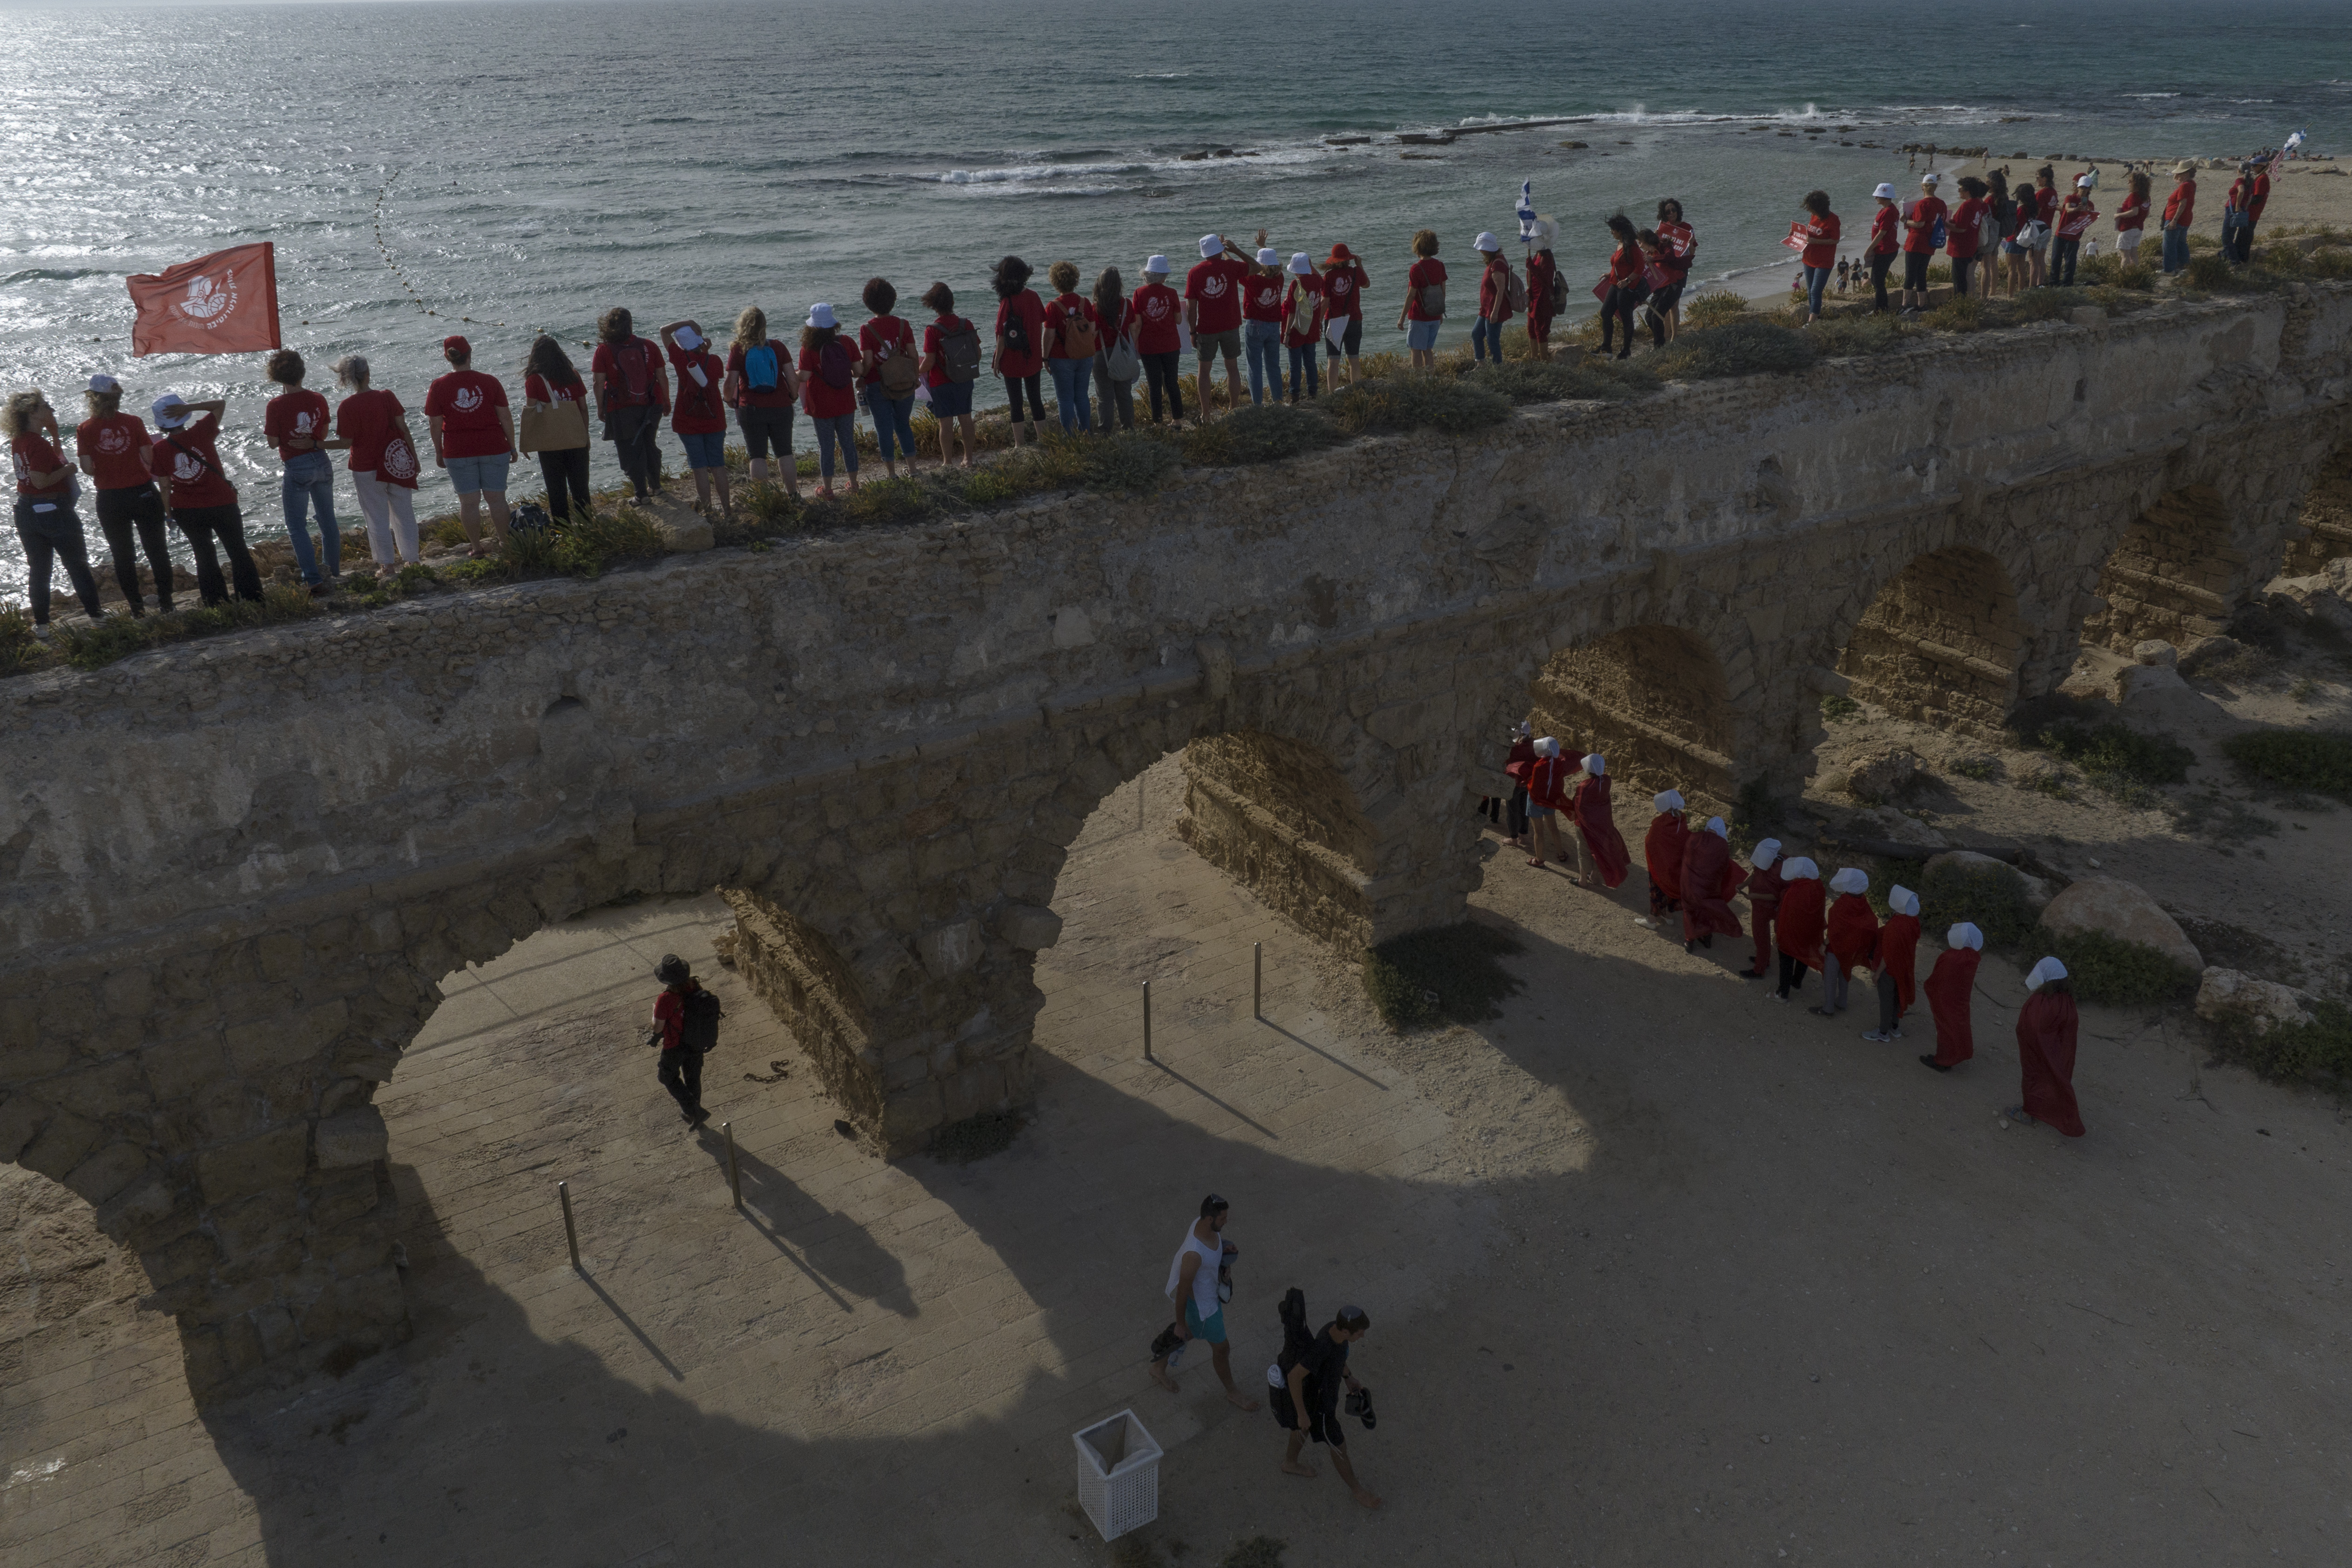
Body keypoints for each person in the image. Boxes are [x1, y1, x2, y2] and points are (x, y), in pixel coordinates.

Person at [7, 389, 105, 636]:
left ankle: (42, 625)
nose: (52, 410)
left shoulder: (21, 440)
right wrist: (70, 469)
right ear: (33, 412)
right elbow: (41, 480)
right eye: (46, 406)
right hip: (52, 509)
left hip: (26, 509)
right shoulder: (37, 443)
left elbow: (41, 465)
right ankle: (97, 618)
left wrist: (55, 436)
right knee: (77, 565)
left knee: (39, 569)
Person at [74, 374, 174, 615]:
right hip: (142, 492)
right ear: (117, 397)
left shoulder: (84, 429)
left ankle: (137, 608)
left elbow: (87, 470)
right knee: (157, 550)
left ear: (93, 399)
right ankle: (167, 604)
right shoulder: (133, 422)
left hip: (110, 498)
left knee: (123, 556)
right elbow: (150, 459)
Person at [1149, 1194, 1259, 1410]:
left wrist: (1222, 1264)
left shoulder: (1200, 1224)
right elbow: (1182, 1292)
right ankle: (1233, 1393)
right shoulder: (1194, 1256)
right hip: (1204, 1310)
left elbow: (1211, 1257)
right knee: (1222, 1350)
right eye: (1223, 1218)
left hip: (1203, 1304)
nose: (1226, 1221)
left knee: (1185, 1334)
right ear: (1210, 1219)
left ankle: (1158, 1368)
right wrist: (1180, 1323)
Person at [150, 393, 260, 606]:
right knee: (238, 551)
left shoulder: (160, 449)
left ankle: (216, 603)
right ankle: (253, 600)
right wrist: (191, 407)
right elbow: (220, 405)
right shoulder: (202, 431)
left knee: (204, 556)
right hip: (222, 502)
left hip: (186, 509)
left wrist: (169, 513)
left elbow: (164, 485)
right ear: (183, 415)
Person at [1273, 1300, 1379, 1510]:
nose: (1363, 1336)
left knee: (1302, 1429)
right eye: (1359, 1333)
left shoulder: (1336, 1330)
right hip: (1321, 1407)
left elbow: (1339, 1359)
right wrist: (1302, 1413)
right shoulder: (1322, 1347)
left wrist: (1348, 1377)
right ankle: (1358, 1491)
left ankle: (1290, 1463)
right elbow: (1294, 1377)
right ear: (1346, 1331)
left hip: (1321, 1398)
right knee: (1339, 1446)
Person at [423, 336, 515, 555]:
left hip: (458, 450)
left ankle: (476, 547)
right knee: (497, 499)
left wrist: (439, 450)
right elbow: (506, 417)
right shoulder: (490, 381)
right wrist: (512, 446)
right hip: (493, 446)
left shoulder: (439, 386)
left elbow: (435, 423)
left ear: (448, 357)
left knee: (469, 503)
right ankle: (505, 544)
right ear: (470, 353)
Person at [332, 356, 423, 576]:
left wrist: (317, 444)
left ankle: (387, 565)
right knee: (404, 513)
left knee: (376, 517)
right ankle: (412, 561)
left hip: (365, 468)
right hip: (395, 462)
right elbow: (404, 430)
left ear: (347, 379)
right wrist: (414, 458)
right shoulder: (387, 397)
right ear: (368, 374)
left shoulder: (346, 406)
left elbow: (346, 443)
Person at [262, 350, 340, 593]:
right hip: (321, 460)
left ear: (276, 377)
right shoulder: (318, 398)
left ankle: (313, 578)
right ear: (302, 373)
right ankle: (333, 570)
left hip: (296, 466)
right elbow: (324, 434)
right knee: (327, 520)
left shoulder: (275, 405)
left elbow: (273, 443)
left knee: (297, 526)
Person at [592, 307, 671, 504]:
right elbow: (662, 377)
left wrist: (600, 407)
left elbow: (598, 383)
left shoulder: (604, 350)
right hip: (652, 403)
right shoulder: (649, 346)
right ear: (630, 325)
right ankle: (657, 487)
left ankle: (641, 494)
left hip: (621, 408)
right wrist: (667, 400)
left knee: (629, 448)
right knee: (649, 444)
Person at [722, 306, 800, 497]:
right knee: (785, 453)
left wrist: (728, 399)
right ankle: (793, 496)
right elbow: (792, 378)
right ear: (764, 325)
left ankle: (764, 499)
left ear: (742, 326)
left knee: (757, 456)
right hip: (781, 406)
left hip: (752, 408)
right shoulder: (778, 347)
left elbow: (730, 383)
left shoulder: (738, 350)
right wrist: (793, 397)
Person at [659, 321, 734, 518]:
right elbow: (710, 374)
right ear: (701, 341)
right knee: (718, 465)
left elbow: (663, 331)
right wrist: (706, 352)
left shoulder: (678, 358)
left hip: (687, 420)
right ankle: (727, 510)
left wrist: (688, 323)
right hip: (714, 419)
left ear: (682, 344)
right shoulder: (715, 360)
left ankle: (709, 512)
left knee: (699, 467)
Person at [520, 334, 594, 525]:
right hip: (575, 437)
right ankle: (587, 525)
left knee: (556, 488)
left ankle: (563, 528)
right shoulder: (573, 375)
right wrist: (585, 434)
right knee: (580, 487)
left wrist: (527, 441)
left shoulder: (534, 380)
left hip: (550, 442)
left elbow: (531, 411)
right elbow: (583, 408)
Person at [852, 279, 922, 473]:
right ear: (893, 300)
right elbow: (913, 354)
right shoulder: (903, 324)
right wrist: (916, 377)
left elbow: (868, 362)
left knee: (884, 429)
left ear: (868, 304)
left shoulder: (867, 329)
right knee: (903, 425)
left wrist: (861, 376)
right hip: (905, 382)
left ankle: (891, 473)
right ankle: (913, 469)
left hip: (877, 384)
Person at [2010, 958, 2085, 1136]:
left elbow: (2028, 1028)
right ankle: (2047, 1109)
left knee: (2034, 1077)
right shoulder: (2067, 1002)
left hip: (2037, 1052)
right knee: (2055, 1077)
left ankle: (2029, 1113)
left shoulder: (2042, 1003)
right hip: (2058, 1052)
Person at [798, 303, 860, 498]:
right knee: (848, 443)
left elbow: (804, 377)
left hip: (821, 405)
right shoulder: (847, 342)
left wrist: (793, 372)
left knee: (826, 447)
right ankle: (854, 484)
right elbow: (858, 371)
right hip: (846, 402)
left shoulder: (808, 348)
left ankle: (827, 489)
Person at [646, 953, 716, 1125]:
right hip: (695, 1040)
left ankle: (694, 1111)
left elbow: (658, 1028)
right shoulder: (694, 985)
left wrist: (654, 1012)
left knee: (666, 1077)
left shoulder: (665, 999)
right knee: (693, 1077)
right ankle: (693, 1113)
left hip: (675, 1045)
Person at [1186, 233, 1249, 416]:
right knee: (1233, 368)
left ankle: (1206, 413)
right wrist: (1235, 250)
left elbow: (1191, 307)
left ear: (1204, 253)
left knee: (1204, 373)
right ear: (1221, 250)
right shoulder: (1231, 267)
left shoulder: (1195, 273)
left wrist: (1192, 331)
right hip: (1231, 325)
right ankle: (1234, 408)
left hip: (1206, 328)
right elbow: (1257, 266)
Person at [918, 282, 979, 468]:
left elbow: (929, 361)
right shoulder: (966, 324)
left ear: (934, 306)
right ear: (952, 302)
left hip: (940, 382)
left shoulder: (932, 330)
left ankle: (947, 462)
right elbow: (977, 352)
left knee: (945, 424)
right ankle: (968, 459)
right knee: (966, 418)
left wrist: (917, 372)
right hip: (964, 378)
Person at [990, 255, 1049, 444]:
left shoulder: (1007, 302)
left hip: (1012, 359)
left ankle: (1020, 444)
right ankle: (1044, 440)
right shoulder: (1033, 296)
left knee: (1016, 403)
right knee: (1036, 400)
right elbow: (1041, 322)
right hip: (1032, 356)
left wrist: (997, 360)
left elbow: (1001, 336)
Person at [1039, 260, 1099, 435]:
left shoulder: (1053, 306)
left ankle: (1070, 437)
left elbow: (1049, 335)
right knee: (1082, 396)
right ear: (1075, 280)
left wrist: (1045, 358)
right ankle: (1086, 432)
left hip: (1061, 358)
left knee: (1065, 399)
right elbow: (1093, 329)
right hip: (1084, 357)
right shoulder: (1084, 302)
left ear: (1055, 282)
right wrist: (1082, 344)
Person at [1813, 867, 1878, 1018]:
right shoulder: (1863, 901)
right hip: (1853, 948)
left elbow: (1835, 929)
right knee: (1845, 973)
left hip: (1837, 948)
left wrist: (1824, 944)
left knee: (1830, 978)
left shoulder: (1842, 904)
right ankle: (1842, 1002)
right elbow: (1871, 922)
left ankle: (1828, 1008)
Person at [1130, 255, 1186, 426]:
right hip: (1171, 344)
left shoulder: (1139, 293)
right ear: (1164, 276)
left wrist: (1134, 344)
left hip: (1149, 346)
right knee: (1172, 382)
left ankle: (1158, 422)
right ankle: (1177, 420)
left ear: (1147, 275)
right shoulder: (1172, 293)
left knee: (1154, 384)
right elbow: (1178, 320)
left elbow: (1138, 323)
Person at [1920, 922, 1983, 1072]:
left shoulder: (1950, 956)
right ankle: (1952, 1055)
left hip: (1945, 997)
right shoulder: (1973, 956)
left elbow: (1939, 977)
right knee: (1957, 1025)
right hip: (1960, 998)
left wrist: (1929, 987)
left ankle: (1942, 1061)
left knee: (1945, 1027)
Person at [1862, 885, 1921, 1043]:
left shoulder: (1895, 926)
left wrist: (1878, 973)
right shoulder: (1913, 922)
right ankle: (1895, 1027)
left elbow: (1888, 955)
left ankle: (1882, 1033)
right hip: (1904, 966)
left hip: (1890, 969)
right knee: (1897, 995)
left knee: (1886, 1000)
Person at [1679, 816, 1744, 953]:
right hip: (1709, 886)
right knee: (1707, 909)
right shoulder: (1722, 845)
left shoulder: (1694, 837)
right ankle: (1707, 938)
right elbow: (1724, 866)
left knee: (1689, 909)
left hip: (1689, 883)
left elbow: (1686, 857)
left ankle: (1689, 940)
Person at [1569, 752, 1631, 890]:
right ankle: (1595, 877)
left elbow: (1578, 804)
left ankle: (1583, 880)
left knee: (1584, 851)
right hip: (1603, 824)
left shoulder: (1585, 786)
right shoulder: (1607, 781)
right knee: (1599, 850)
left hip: (1585, 826)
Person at [1770, 857, 1824, 1002]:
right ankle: (1797, 982)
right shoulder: (1818, 885)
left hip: (1791, 933)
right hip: (1809, 931)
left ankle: (1782, 994)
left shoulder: (1796, 891)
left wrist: (1778, 936)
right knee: (1803, 956)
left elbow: (1786, 916)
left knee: (1786, 960)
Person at [1592, 214, 1646, 360]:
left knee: (1626, 318)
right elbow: (1619, 265)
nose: (1611, 232)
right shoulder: (1621, 243)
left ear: (1620, 231)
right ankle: (1606, 348)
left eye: (1613, 230)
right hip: (1615, 284)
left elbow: (1640, 267)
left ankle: (1626, 350)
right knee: (1605, 313)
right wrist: (1609, 275)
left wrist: (1628, 280)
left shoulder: (1632, 246)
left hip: (1627, 287)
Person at [1091, 267, 1137, 432]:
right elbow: (1134, 330)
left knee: (1104, 397)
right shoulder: (1126, 304)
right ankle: (1129, 429)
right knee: (1125, 394)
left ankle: (1105, 432)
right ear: (1119, 285)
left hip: (1101, 355)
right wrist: (1133, 351)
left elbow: (1093, 333)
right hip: (1122, 353)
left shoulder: (1096, 308)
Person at [1241, 245, 1287, 405]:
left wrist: (1227, 252)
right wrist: (1263, 246)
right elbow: (1266, 263)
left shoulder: (1254, 280)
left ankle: (1258, 405)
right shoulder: (1279, 278)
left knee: (1254, 367)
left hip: (1256, 325)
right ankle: (1278, 401)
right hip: (1275, 326)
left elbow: (1238, 269)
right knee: (1273, 366)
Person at [1319, 243, 1370, 385]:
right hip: (1354, 320)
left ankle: (1333, 395)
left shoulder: (1328, 276)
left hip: (1336, 321)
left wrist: (1318, 322)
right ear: (1349, 259)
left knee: (1333, 361)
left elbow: (1325, 302)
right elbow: (1367, 285)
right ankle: (1357, 392)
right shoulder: (1356, 272)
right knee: (1354, 360)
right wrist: (1359, 265)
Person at [1639, 789, 1690, 929]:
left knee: (1657, 889)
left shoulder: (1660, 823)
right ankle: (1668, 916)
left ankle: (1652, 920)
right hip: (1676, 865)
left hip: (1660, 864)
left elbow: (1651, 841)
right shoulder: (1682, 819)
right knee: (1670, 889)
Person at [1398, 228, 1446, 370]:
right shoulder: (1440, 265)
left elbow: (1411, 295)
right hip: (1435, 314)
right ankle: (1430, 379)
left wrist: (1402, 318)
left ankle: (1418, 381)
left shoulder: (1416, 269)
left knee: (1416, 350)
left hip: (1419, 316)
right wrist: (1440, 313)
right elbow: (1443, 291)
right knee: (1428, 349)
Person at [1522, 736, 1573, 869]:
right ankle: (1561, 854)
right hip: (1550, 801)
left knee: (1538, 832)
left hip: (1536, 801)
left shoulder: (1539, 766)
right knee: (1553, 828)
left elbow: (1534, 786)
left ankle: (1539, 859)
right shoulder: (1558, 763)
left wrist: (1527, 782)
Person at [1899, 173, 1947, 316]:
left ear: (1923, 187)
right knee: (1922, 274)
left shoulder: (1922, 204)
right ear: (1936, 187)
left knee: (1910, 274)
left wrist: (1905, 221)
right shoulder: (1942, 204)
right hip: (1930, 241)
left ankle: (1905, 304)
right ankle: (1922, 304)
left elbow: (1919, 224)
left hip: (1916, 241)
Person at [1280, 253, 1325, 403]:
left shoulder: (1296, 284)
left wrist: (1287, 333)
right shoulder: (1317, 280)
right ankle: (1313, 393)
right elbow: (1322, 283)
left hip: (1297, 329)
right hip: (1312, 328)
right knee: (1311, 362)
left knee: (1295, 365)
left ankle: (1295, 395)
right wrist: (1311, 266)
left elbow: (1292, 313)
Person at [1740, 838, 1786, 981]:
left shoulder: (1782, 869)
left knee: (1761, 938)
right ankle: (1764, 960)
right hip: (1759, 905)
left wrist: (1756, 895)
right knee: (1761, 938)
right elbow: (1755, 874)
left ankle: (1759, 970)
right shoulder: (1779, 862)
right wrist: (1742, 885)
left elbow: (1779, 895)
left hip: (1769, 907)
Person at [1650, 199, 1694, 343]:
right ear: (1664, 214)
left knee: (1674, 304)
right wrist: (1655, 239)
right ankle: (1665, 334)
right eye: (1667, 211)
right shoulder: (1663, 229)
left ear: (1678, 211)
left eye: (1673, 210)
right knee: (1665, 304)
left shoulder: (1686, 227)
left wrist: (1691, 242)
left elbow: (1692, 252)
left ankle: (1674, 337)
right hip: (1665, 271)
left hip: (1680, 270)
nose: (1671, 213)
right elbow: (1655, 251)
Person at [1471, 232, 1514, 366]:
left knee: (1492, 339)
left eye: (1481, 248)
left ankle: (1498, 368)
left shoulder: (1498, 265)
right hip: (1486, 308)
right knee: (1476, 335)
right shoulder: (1494, 261)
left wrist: (1495, 312)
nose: (1480, 251)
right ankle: (1481, 365)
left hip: (1495, 308)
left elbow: (1501, 290)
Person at [1797, 191, 1840, 324]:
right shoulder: (1813, 216)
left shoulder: (1833, 220)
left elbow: (1835, 240)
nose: (1808, 209)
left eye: (1810, 206)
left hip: (1824, 261)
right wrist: (1796, 234)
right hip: (1808, 258)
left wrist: (1816, 241)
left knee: (1816, 291)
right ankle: (1816, 316)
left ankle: (1811, 323)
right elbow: (1809, 235)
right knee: (1810, 291)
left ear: (1819, 207)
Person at [2049, 177, 2098, 287]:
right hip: (2061, 233)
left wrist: (2089, 213)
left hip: (2075, 236)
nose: (2083, 190)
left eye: (2086, 188)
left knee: (2070, 262)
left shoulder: (2090, 204)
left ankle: (2067, 283)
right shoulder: (2070, 198)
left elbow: (2090, 220)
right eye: (2081, 187)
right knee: (2056, 259)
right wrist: (2076, 209)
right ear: (2078, 187)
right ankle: (2054, 283)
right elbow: (2067, 209)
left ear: (2089, 189)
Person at [1946, 177, 1989, 300]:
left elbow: (1961, 228)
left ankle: (1961, 303)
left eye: (1960, 189)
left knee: (1959, 279)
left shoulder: (1967, 205)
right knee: (1966, 275)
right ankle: (1968, 301)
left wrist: (1946, 225)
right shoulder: (1977, 203)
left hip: (1961, 246)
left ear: (1968, 191)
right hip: (1971, 244)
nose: (1959, 191)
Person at [1523, 220, 1560, 361]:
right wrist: (1529, 289)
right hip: (1534, 296)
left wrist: (1531, 267)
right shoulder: (1538, 254)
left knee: (1541, 330)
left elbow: (1546, 279)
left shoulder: (1547, 257)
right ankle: (1534, 357)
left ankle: (1543, 360)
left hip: (1543, 299)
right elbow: (1535, 278)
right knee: (1531, 328)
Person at [2223, 160, 2270, 265]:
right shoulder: (2253, 180)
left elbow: (2255, 196)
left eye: (2255, 165)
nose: (2253, 167)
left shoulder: (2260, 179)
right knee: (2240, 237)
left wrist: (2239, 206)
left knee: (2238, 238)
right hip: (2248, 212)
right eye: (2252, 166)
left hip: (2250, 213)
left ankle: (2237, 261)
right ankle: (2229, 257)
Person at [1865, 183, 1900, 313]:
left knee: (1878, 282)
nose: (1876, 198)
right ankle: (1882, 309)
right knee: (1875, 280)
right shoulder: (1884, 210)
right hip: (1881, 250)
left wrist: (1869, 249)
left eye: (1878, 196)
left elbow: (1882, 233)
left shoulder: (1890, 212)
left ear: (1885, 197)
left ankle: (1881, 310)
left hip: (1886, 250)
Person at [1500, 721, 1534, 848]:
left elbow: (1507, 760)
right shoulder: (1534, 744)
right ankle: (1523, 835)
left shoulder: (1514, 747)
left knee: (1512, 810)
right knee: (1524, 808)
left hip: (1514, 782)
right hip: (1527, 782)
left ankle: (1513, 838)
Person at [2161, 162, 2197, 275]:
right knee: (2181, 243)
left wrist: (2174, 220)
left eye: (2180, 174)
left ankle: (2169, 270)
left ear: (2186, 174)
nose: (2177, 176)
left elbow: (2183, 204)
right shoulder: (2191, 184)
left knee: (2169, 245)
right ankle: (2184, 266)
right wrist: (2177, 178)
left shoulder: (2184, 186)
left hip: (2176, 219)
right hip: (2186, 219)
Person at [2113, 170, 2152, 266]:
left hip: (2128, 228)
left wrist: (2119, 215)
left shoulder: (2134, 196)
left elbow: (2134, 212)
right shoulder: (2147, 197)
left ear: (2136, 184)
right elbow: (2147, 214)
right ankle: (2135, 274)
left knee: (2125, 255)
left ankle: (2124, 277)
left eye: (2130, 181)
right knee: (2134, 254)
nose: (2128, 183)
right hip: (2138, 229)